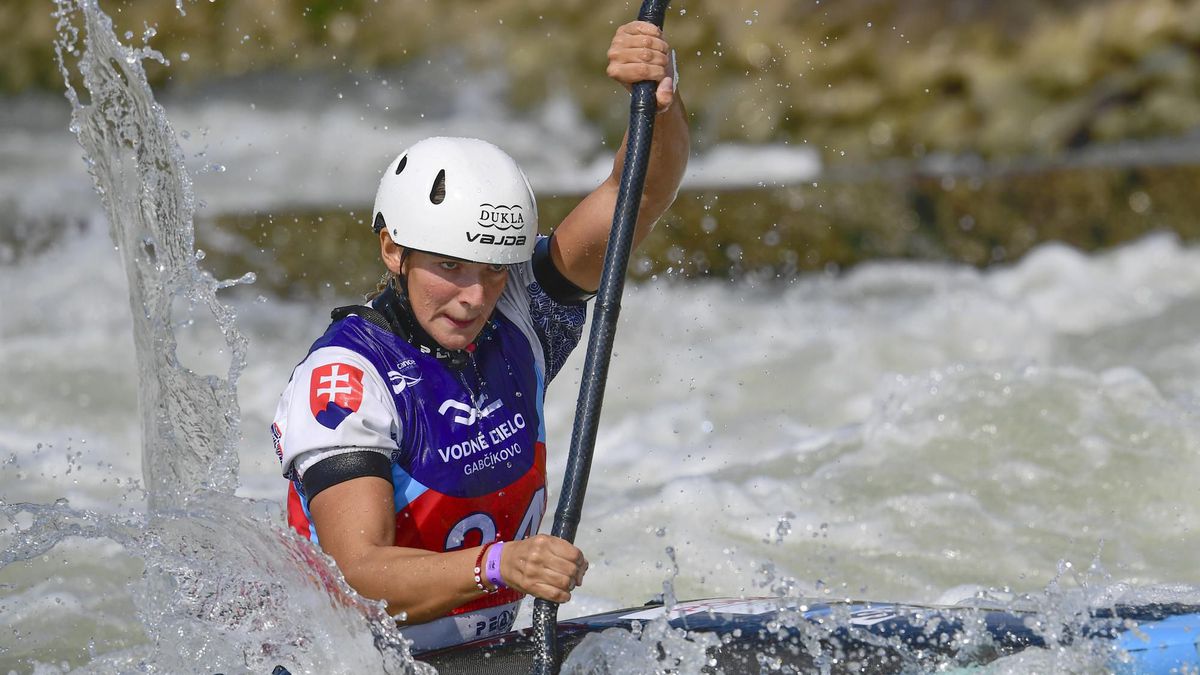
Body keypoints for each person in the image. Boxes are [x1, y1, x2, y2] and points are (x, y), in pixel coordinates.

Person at [270, 21, 689, 652]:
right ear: (394, 250)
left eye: (494, 269)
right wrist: (499, 566)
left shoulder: (522, 312)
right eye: (449, 268)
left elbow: (639, 194)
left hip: (482, 654)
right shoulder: (347, 381)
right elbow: (356, 574)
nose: (474, 297)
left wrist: (660, 98)